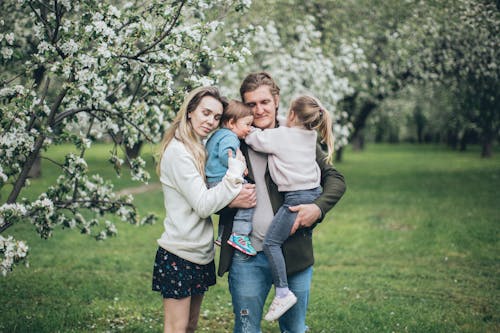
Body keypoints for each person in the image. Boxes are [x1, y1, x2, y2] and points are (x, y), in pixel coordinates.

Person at [217, 72, 346, 333]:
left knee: (295, 329)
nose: (259, 109)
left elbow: (335, 178)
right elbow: (207, 191)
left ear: (277, 101)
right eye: (251, 104)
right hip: (247, 256)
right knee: (246, 328)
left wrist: (317, 208)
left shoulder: (296, 135)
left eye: (264, 102)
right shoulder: (232, 141)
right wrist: (229, 202)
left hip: (293, 255)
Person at [152, 86, 249, 333]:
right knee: (176, 329)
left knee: (190, 327)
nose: (210, 121)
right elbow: (204, 205)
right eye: (205, 113)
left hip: (200, 253)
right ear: (190, 111)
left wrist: (230, 197)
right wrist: (234, 173)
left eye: (216, 117)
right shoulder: (178, 152)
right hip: (179, 254)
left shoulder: (196, 147)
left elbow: (209, 198)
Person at [244, 94, 335, 321]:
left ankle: (283, 292)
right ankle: (283, 291)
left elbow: (255, 139)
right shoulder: (309, 135)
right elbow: (290, 126)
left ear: (291, 114)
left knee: (271, 242)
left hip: (295, 198)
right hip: (312, 192)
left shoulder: (280, 136)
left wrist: (246, 127)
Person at [205, 100, 257, 256]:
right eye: (247, 124)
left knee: (230, 209)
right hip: (221, 180)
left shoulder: (217, 134)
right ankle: (240, 235)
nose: (249, 129)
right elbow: (225, 155)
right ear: (232, 123)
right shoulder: (230, 137)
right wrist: (240, 166)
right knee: (249, 196)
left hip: (212, 181)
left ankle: (222, 235)